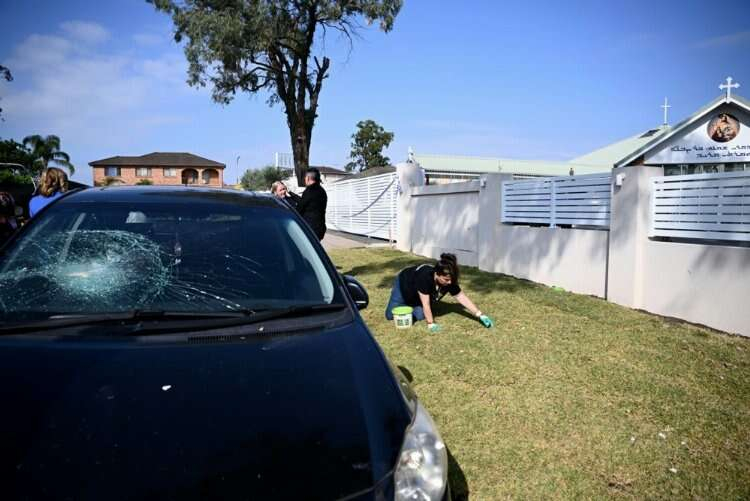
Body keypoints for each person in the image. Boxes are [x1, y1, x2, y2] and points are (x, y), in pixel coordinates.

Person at [385, 253, 494, 333]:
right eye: (446, 280)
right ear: (437, 274)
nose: (450, 282)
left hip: (420, 293)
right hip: (404, 285)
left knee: (420, 315)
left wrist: (480, 315)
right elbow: (426, 304)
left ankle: (411, 305)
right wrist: (431, 324)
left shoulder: (449, 279)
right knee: (390, 315)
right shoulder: (425, 277)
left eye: (451, 279)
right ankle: (404, 303)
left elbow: (461, 297)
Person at [296, 167, 327, 240]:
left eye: (305, 177)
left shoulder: (309, 191)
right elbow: (308, 203)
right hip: (320, 228)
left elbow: (300, 208)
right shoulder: (322, 191)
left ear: (308, 178)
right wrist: (292, 195)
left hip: (310, 228)